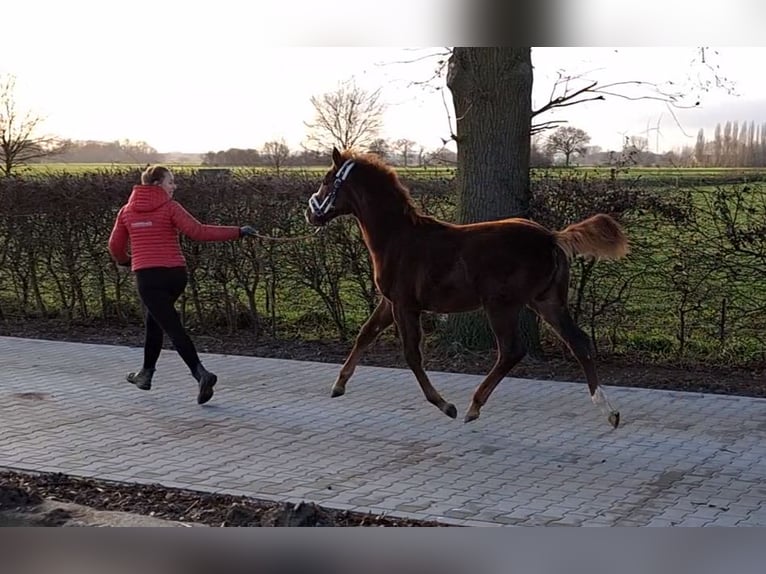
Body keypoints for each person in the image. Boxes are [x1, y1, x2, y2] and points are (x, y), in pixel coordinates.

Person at [108, 165, 257, 405]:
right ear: (157, 184)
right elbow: (199, 231)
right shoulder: (170, 208)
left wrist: (126, 261)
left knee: (171, 326)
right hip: (176, 275)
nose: (174, 186)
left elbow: (115, 247)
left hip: (148, 278)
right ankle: (145, 374)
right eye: (171, 182)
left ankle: (200, 373)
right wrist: (238, 231)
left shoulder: (126, 212)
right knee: (154, 320)